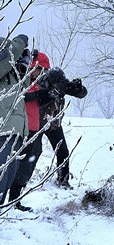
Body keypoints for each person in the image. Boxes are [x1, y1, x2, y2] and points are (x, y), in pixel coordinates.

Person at [8, 52, 87, 206]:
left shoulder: (56, 81)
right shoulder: (30, 81)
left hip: (52, 124)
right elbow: (32, 100)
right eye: (40, 70)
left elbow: (80, 94)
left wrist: (77, 88)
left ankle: (63, 181)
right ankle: (15, 195)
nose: (42, 74)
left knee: (62, 151)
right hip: (36, 125)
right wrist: (50, 94)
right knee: (32, 156)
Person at [0, 34, 30, 206]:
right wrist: (21, 41)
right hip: (3, 130)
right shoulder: (4, 64)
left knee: (7, 180)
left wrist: (23, 65)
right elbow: (13, 50)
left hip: (15, 132)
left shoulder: (10, 72)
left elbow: (25, 87)